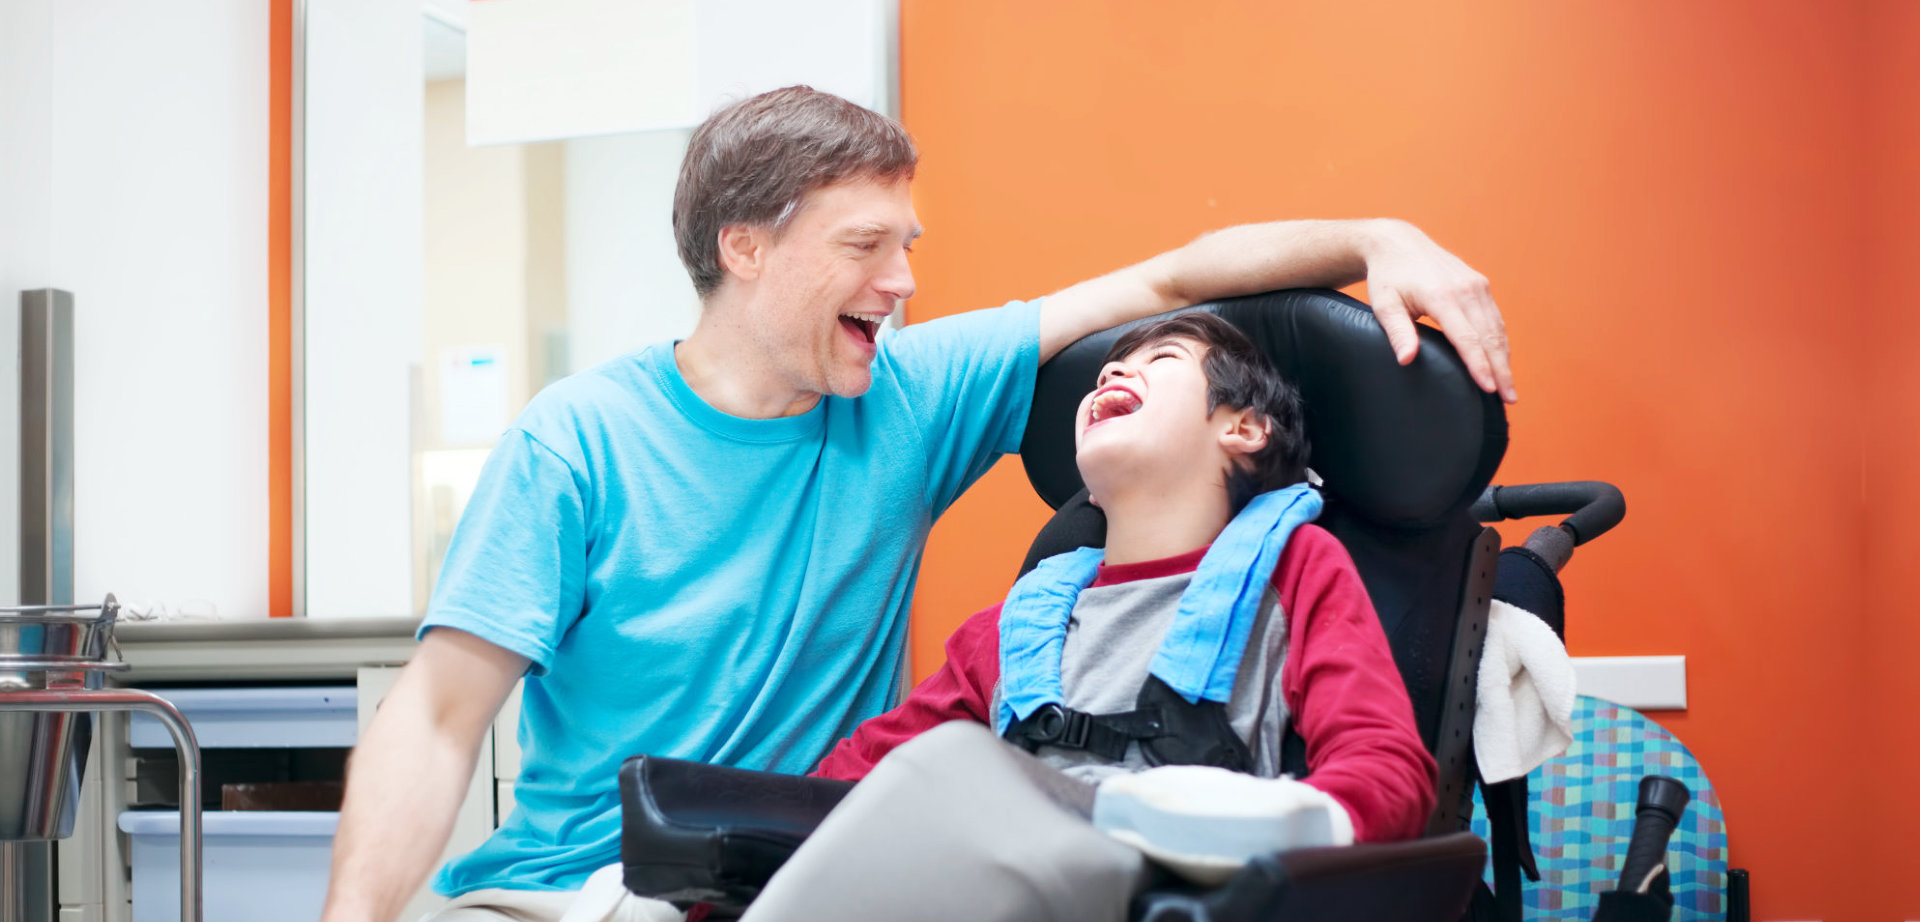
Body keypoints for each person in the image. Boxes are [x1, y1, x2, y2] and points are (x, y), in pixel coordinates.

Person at [319, 85, 1512, 922]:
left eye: (911, 243)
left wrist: (1378, 237)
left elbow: (1168, 278)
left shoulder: (913, 392)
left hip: (793, 866)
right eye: (867, 246)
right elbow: (435, 720)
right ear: (745, 247)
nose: (904, 282)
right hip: (569, 881)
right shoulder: (575, 441)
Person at [733, 313, 1431, 922]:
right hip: (1002, 881)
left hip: (1174, 884)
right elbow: (862, 773)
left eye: (1160, 362)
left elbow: (1387, 769)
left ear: (1244, 428)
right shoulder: (1016, 627)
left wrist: (1283, 820)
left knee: (951, 765)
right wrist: (720, 847)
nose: (1115, 374)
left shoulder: (1294, 571)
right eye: (1108, 370)